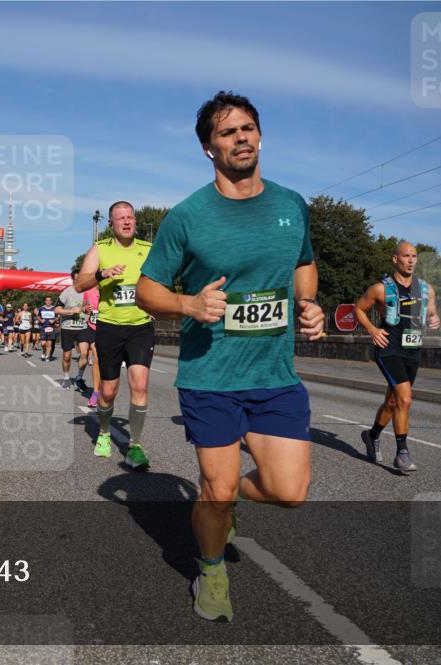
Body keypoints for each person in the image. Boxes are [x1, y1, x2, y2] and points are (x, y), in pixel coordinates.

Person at [137, 91, 325, 623]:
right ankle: (212, 568)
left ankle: (224, 508)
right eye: (227, 132)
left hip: (274, 375)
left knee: (289, 492)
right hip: (210, 375)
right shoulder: (188, 216)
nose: (240, 138)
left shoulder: (291, 205)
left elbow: (305, 263)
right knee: (215, 491)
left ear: (260, 135)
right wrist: (187, 303)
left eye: (247, 128)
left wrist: (307, 303)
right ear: (208, 148)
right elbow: (147, 290)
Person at [75, 201, 154, 469]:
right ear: (111, 223)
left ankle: (135, 445)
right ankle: (105, 431)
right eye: (120, 218)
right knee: (108, 391)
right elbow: (79, 283)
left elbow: (162, 279)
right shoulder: (101, 249)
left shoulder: (148, 250)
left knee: (140, 385)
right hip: (109, 326)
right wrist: (102, 274)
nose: (127, 221)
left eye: (130, 216)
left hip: (141, 326)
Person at [354, 241, 439, 473]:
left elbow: (431, 310)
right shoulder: (380, 289)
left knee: (393, 402)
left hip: (413, 350)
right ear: (395, 259)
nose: (411, 260)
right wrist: (372, 330)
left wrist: (434, 318)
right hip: (388, 349)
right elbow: (358, 308)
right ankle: (402, 453)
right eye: (406, 256)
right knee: (405, 399)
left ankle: (371, 436)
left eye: (414, 256)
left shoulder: (426, 289)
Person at [55, 269, 92, 390]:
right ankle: (66, 378)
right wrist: (70, 311)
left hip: (83, 327)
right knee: (67, 356)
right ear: (72, 279)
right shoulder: (67, 292)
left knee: (84, 354)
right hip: (68, 327)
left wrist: (88, 310)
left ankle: (79, 378)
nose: (79, 281)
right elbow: (57, 310)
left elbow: (91, 307)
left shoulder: (88, 291)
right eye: (76, 279)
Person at [85, 285, 102, 407]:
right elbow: (84, 308)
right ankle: (96, 392)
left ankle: (106, 389)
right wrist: (86, 309)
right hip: (93, 327)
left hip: (109, 327)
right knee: (96, 358)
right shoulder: (88, 291)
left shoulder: (112, 288)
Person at [37, 296, 57, 361]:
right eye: (47, 300)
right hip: (43, 327)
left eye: (49, 300)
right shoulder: (41, 308)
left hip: (51, 328)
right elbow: (38, 316)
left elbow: (58, 316)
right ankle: (43, 351)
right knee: (43, 343)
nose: (48, 301)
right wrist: (40, 320)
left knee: (49, 343)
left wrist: (54, 320)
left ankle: (47, 356)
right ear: (45, 301)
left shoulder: (54, 308)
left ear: (51, 301)